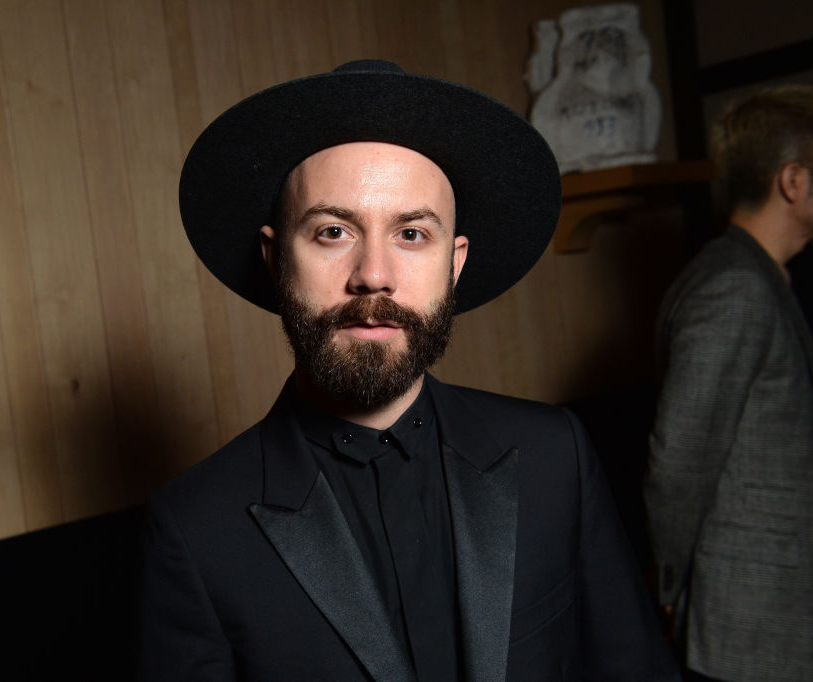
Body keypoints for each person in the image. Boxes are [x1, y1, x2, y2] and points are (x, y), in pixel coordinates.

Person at [141, 60, 678, 681]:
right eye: (333, 231)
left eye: (412, 234)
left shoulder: (556, 456)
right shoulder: (195, 529)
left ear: (455, 263)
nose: (374, 275)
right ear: (275, 258)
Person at [645, 84, 813, 682]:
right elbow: (680, 459)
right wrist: (668, 584)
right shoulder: (733, 286)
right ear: (793, 180)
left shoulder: (756, 275)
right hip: (750, 620)